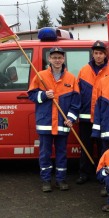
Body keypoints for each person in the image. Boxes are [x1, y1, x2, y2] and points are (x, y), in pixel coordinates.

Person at [28, 47, 80, 192]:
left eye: (60, 57)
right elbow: (31, 96)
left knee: (62, 153)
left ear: (64, 59)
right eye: (54, 57)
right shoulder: (40, 76)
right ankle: (46, 180)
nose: (57, 60)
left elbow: (76, 103)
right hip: (46, 123)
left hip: (63, 124)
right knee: (45, 153)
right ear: (49, 59)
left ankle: (60, 180)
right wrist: (44, 95)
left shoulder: (71, 78)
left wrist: (70, 118)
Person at [75, 40, 108, 186]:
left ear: (105, 54)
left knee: (103, 148)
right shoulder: (84, 70)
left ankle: (102, 173)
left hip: (103, 118)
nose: (98, 56)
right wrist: (75, 113)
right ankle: (84, 173)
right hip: (85, 117)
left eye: (101, 53)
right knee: (85, 147)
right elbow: (77, 93)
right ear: (92, 54)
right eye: (96, 53)